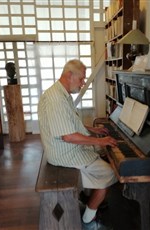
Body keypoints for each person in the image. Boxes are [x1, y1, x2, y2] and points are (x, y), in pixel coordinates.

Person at [38, 59, 118, 229]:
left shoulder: (61, 93)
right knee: (111, 173)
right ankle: (88, 220)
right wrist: (99, 141)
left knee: (102, 154)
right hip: (65, 154)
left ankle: (88, 197)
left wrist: (90, 129)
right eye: (81, 79)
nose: (83, 83)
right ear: (69, 75)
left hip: (64, 148)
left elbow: (68, 124)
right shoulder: (56, 99)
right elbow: (68, 136)